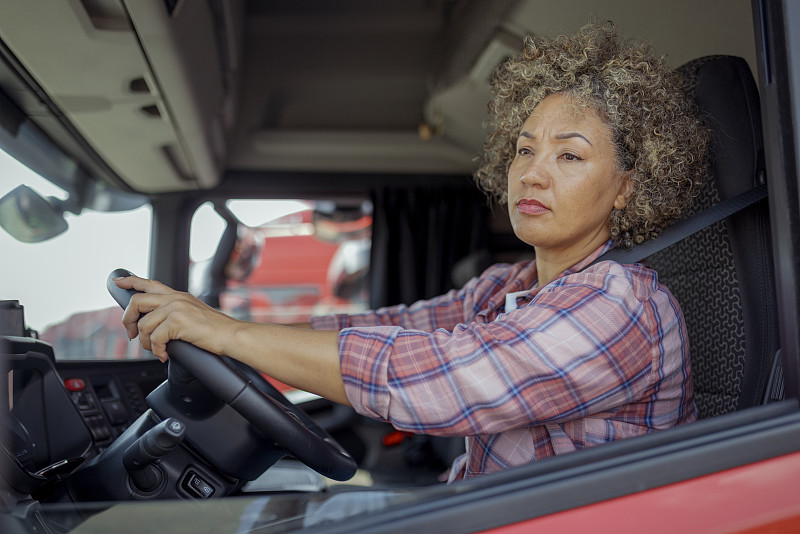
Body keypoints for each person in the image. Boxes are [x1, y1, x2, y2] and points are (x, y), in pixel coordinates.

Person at [115, 21, 708, 481]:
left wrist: (228, 336)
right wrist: (226, 327)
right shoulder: (511, 285)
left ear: (630, 186)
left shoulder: (621, 304)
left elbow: (439, 378)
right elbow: (395, 327)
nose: (532, 174)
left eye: (569, 156)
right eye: (525, 150)